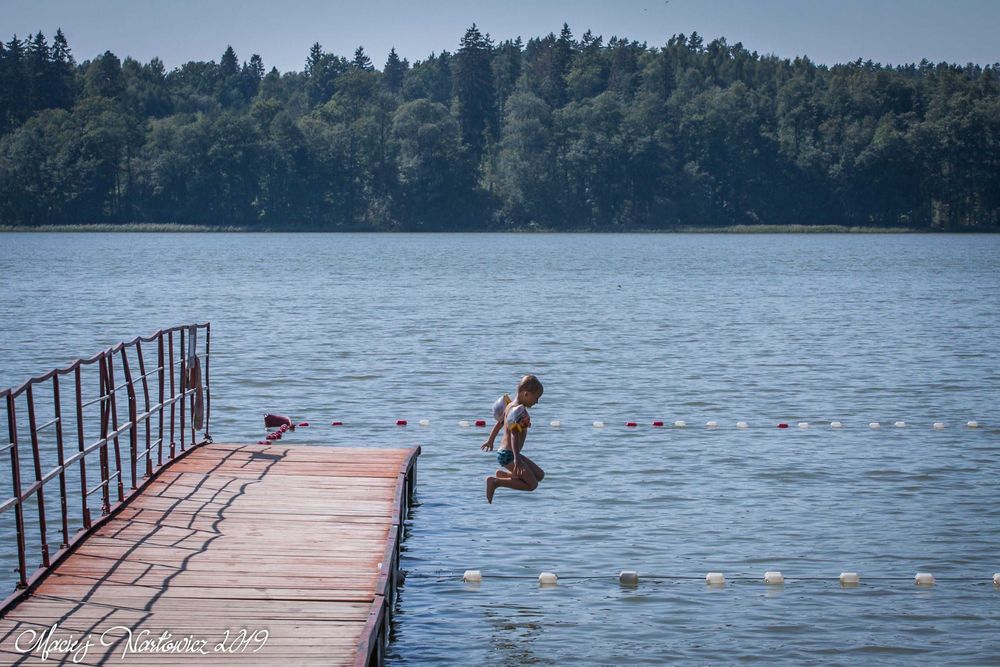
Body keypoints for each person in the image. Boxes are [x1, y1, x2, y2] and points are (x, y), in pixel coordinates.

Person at [480, 374, 544, 503]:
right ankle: (495, 482)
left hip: (509, 453)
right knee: (532, 485)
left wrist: (490, 440)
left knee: (539, 475)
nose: (537, 402)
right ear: (526, 394)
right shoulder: (518, 410)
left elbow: (499, 423)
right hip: (509, 455)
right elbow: (514, 435)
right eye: (536, 398)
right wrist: (517, 460)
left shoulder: (509, 406)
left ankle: (504, 476)